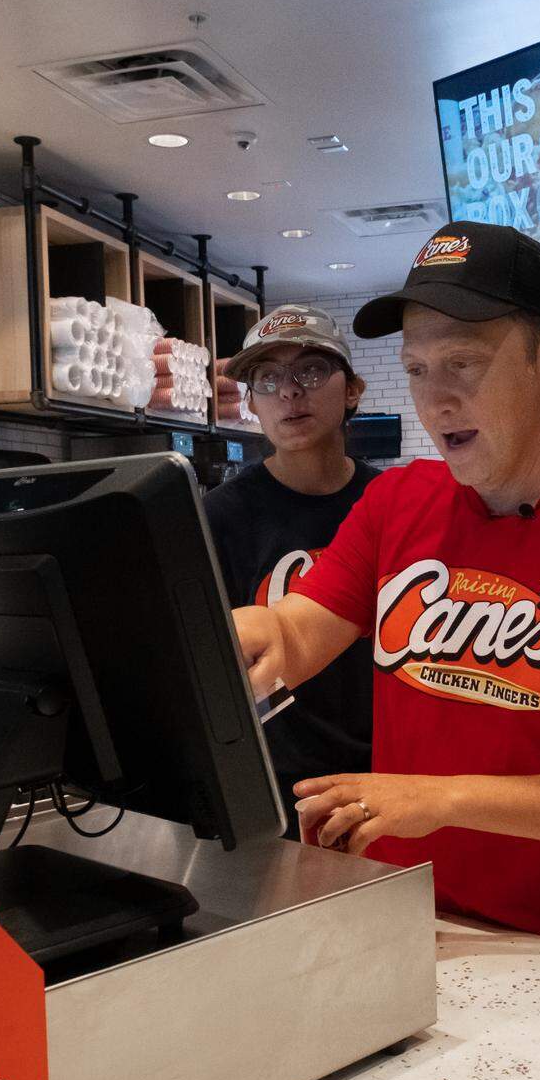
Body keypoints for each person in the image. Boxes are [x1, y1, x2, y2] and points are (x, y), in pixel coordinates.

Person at [231, 224, 540, 964]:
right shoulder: (396, 503)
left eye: (463, 364)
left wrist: (444, 799)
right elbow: (299, 631)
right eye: (416, 370)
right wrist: (244, 638)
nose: (436, 401)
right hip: (411, 928)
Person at [204, 305, 378, 835]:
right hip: (278, 779)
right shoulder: (220, 515)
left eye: (310, 370)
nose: (289, 392)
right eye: (268, 378)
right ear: (252, 403)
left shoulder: (389, 504)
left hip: (386, 772)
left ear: (352, 389)